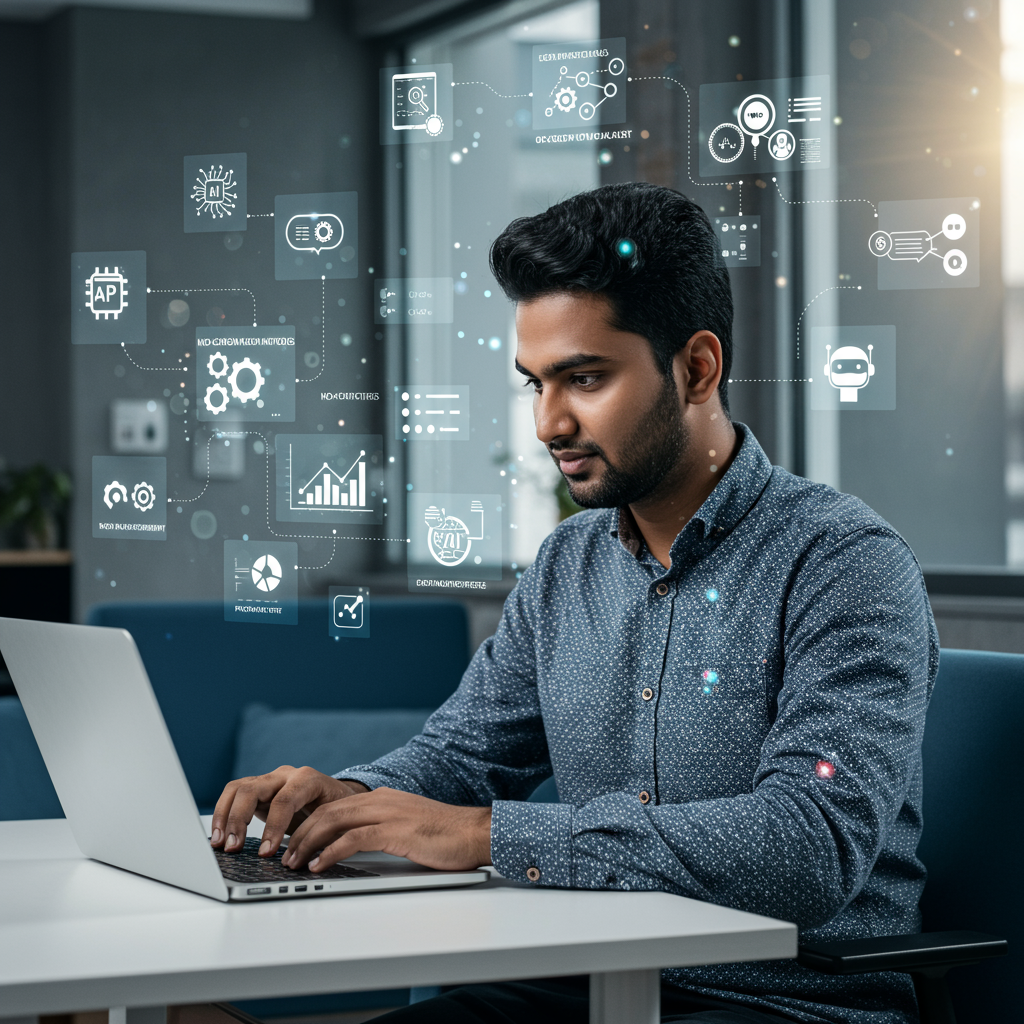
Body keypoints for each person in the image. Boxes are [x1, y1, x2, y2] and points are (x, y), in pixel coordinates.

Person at [211, 182, 937, 1024]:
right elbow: (464, 756)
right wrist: (344, 800)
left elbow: (810, 846)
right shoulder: (568, 563)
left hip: (783, 1001)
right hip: (586, 980)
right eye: (536, 384)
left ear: (697, 369)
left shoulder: (844, 563)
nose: (548, 424)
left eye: (584, 379)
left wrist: (485, 836)